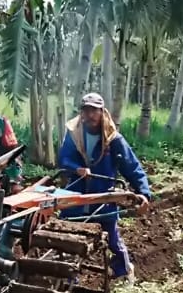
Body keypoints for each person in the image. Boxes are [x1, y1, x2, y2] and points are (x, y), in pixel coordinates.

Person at [58, 92, 151, 283]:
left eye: (94, 110)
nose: (90, 115)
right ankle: (69, 280)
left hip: (103, 196)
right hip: (76, 193)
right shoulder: (74, 133)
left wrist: (143, 193)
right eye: (87, 110)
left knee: (111, 239)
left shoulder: (113, 138)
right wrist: (77, 169)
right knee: (67, 238)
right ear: (81, 112)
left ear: (102, 112)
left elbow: (131, 166)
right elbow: (63, 158)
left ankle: (124, 273)